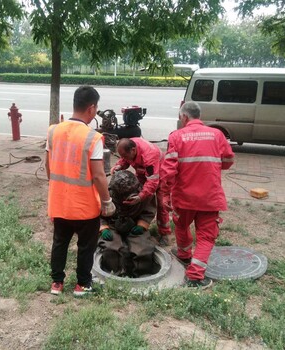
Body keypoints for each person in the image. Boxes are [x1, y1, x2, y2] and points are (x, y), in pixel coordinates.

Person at [45, 85, 116, 297]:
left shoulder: (53, 130)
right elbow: (98, 175)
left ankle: (56, 283)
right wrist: (107, 201)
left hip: (59, 202)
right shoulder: (92, 137)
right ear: (92, 108)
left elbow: (49, 166)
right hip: (85, 206)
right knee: (86, 246)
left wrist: (58, 189)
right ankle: (82, 285)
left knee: (59, 243)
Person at [160, 101, 234, 289]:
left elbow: (168, 170)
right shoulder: (217, 134)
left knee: (182, 225)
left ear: (184, 117)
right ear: (198, 115)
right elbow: (228, 160)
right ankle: (194, 275)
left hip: (184, 197)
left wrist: (164, 194)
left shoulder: (176, 137)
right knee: (206, 237)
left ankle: (186, 259)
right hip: (209, 197)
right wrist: (213, 167)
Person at [110, 137, 172, 246]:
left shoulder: (150, 156)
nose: (123, 158)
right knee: (137, 194)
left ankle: (164, 233)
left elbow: (152, 182)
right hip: (143, 172)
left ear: (133, 150)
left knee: (161, 205)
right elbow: (125, 159)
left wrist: (140, 197)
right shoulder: (129, 145)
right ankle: (139, 222)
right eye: (122, 155)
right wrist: (119, 165)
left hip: (161, 175)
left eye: (124, 155)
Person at [98, 170, 157, 277]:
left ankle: (141, 274)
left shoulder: (144, 193)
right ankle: (115, 274)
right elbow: (97, 213)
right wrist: (103, 227)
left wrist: (141, 225)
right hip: (112, 224)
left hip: (135, 224)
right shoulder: (105, 195)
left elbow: (149, 210)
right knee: (112, 248)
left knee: (143, 248)